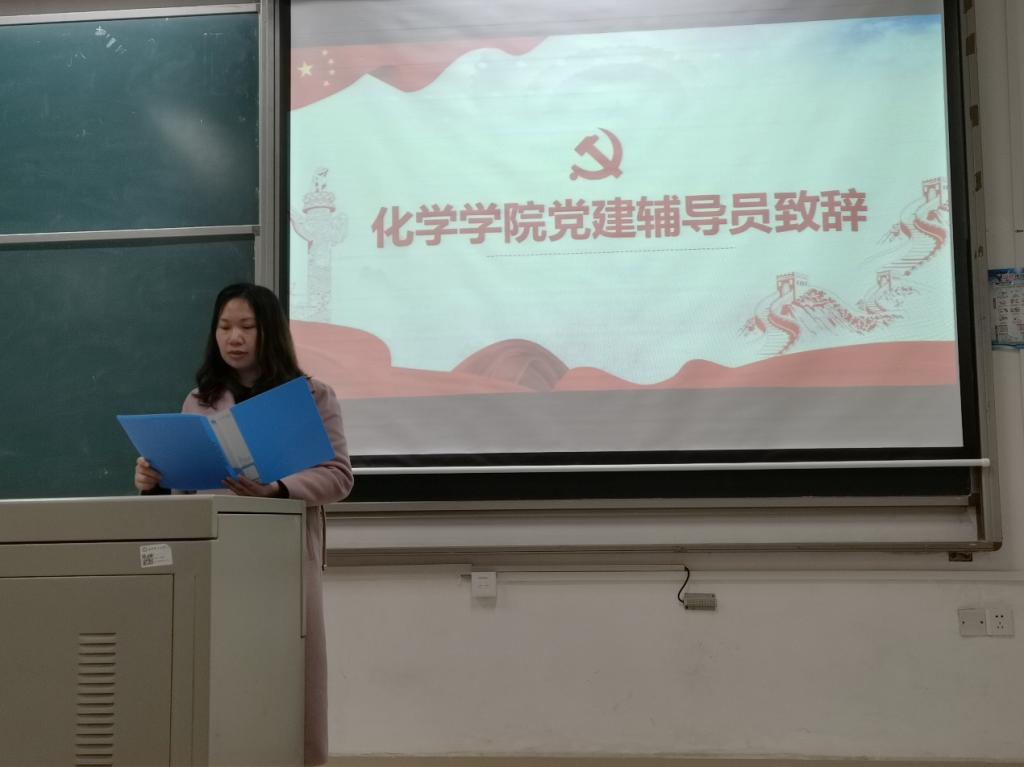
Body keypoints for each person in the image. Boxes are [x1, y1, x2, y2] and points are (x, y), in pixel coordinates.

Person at [134, 282, 353, 766]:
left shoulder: (311, 396)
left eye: (247, 327)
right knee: (221, 669)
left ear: (269, 331)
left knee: (291, 671)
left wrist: (278, 489)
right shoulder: (199, 401)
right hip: (218, 555)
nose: (234, 338)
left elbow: (339, 477)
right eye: (225, 326)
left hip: (283, 557)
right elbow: (184, 492)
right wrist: (154, 481)